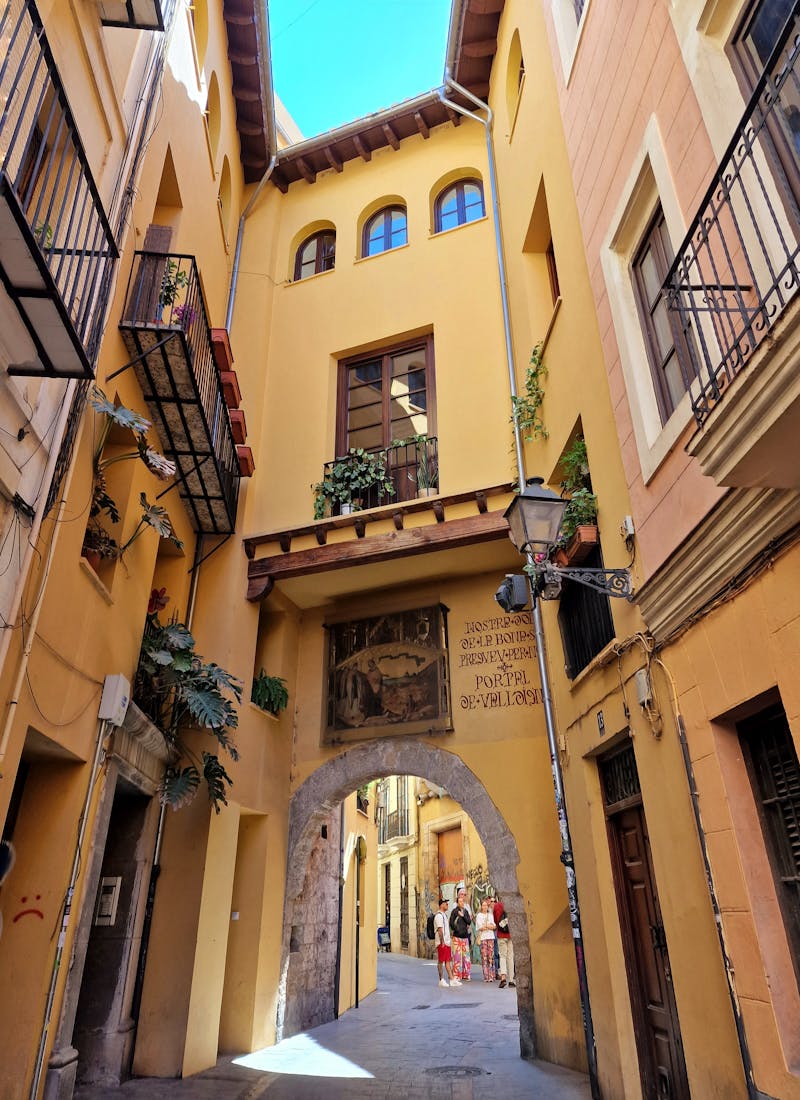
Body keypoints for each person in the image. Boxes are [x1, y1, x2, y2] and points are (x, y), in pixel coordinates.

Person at [434, 897, 460, 988]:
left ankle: (452, 979)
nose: (447, 905)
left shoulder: (444, 915)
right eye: (445, 903)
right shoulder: (439, 916)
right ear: (441, 905)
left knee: (448, 961)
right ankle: (441, 979)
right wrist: (442, 942)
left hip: (447, 942)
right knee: (441, 961)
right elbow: (440, 930)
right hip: (442, 942)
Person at [449, 888, 472, 982]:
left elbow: (469, 921)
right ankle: (457, 975)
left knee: (466, 957)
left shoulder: (465, 911)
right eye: (460, 901)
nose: (462, 902)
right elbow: (451, 923)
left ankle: (466, 974)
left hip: (465, 937)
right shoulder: (454, 911)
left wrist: (463, 916)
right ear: (458, 902)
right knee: (457, 957)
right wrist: (456, 929)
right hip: (457, 937)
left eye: (463, 901)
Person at [494, 893, 515, 989]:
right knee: (510, 957)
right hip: (510, 934)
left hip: (501, 934)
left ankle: (503, 978)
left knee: (502, 956)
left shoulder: (497, 906)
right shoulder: (511, 904)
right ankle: (511, 980)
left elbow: (495, 920)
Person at [475, 897, 496, 982]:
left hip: (490, 937)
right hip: (483, 938)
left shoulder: (490, 915)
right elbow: (480, 927)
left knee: (491, 957)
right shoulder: (479, 916)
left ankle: (491, 976)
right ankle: (486, 976)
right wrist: (488, 926)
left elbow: (494, 926)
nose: (485, 907)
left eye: (486, 905)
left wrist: (487, 926)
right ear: (481, 906)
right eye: (483, 905)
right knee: (484, 957)